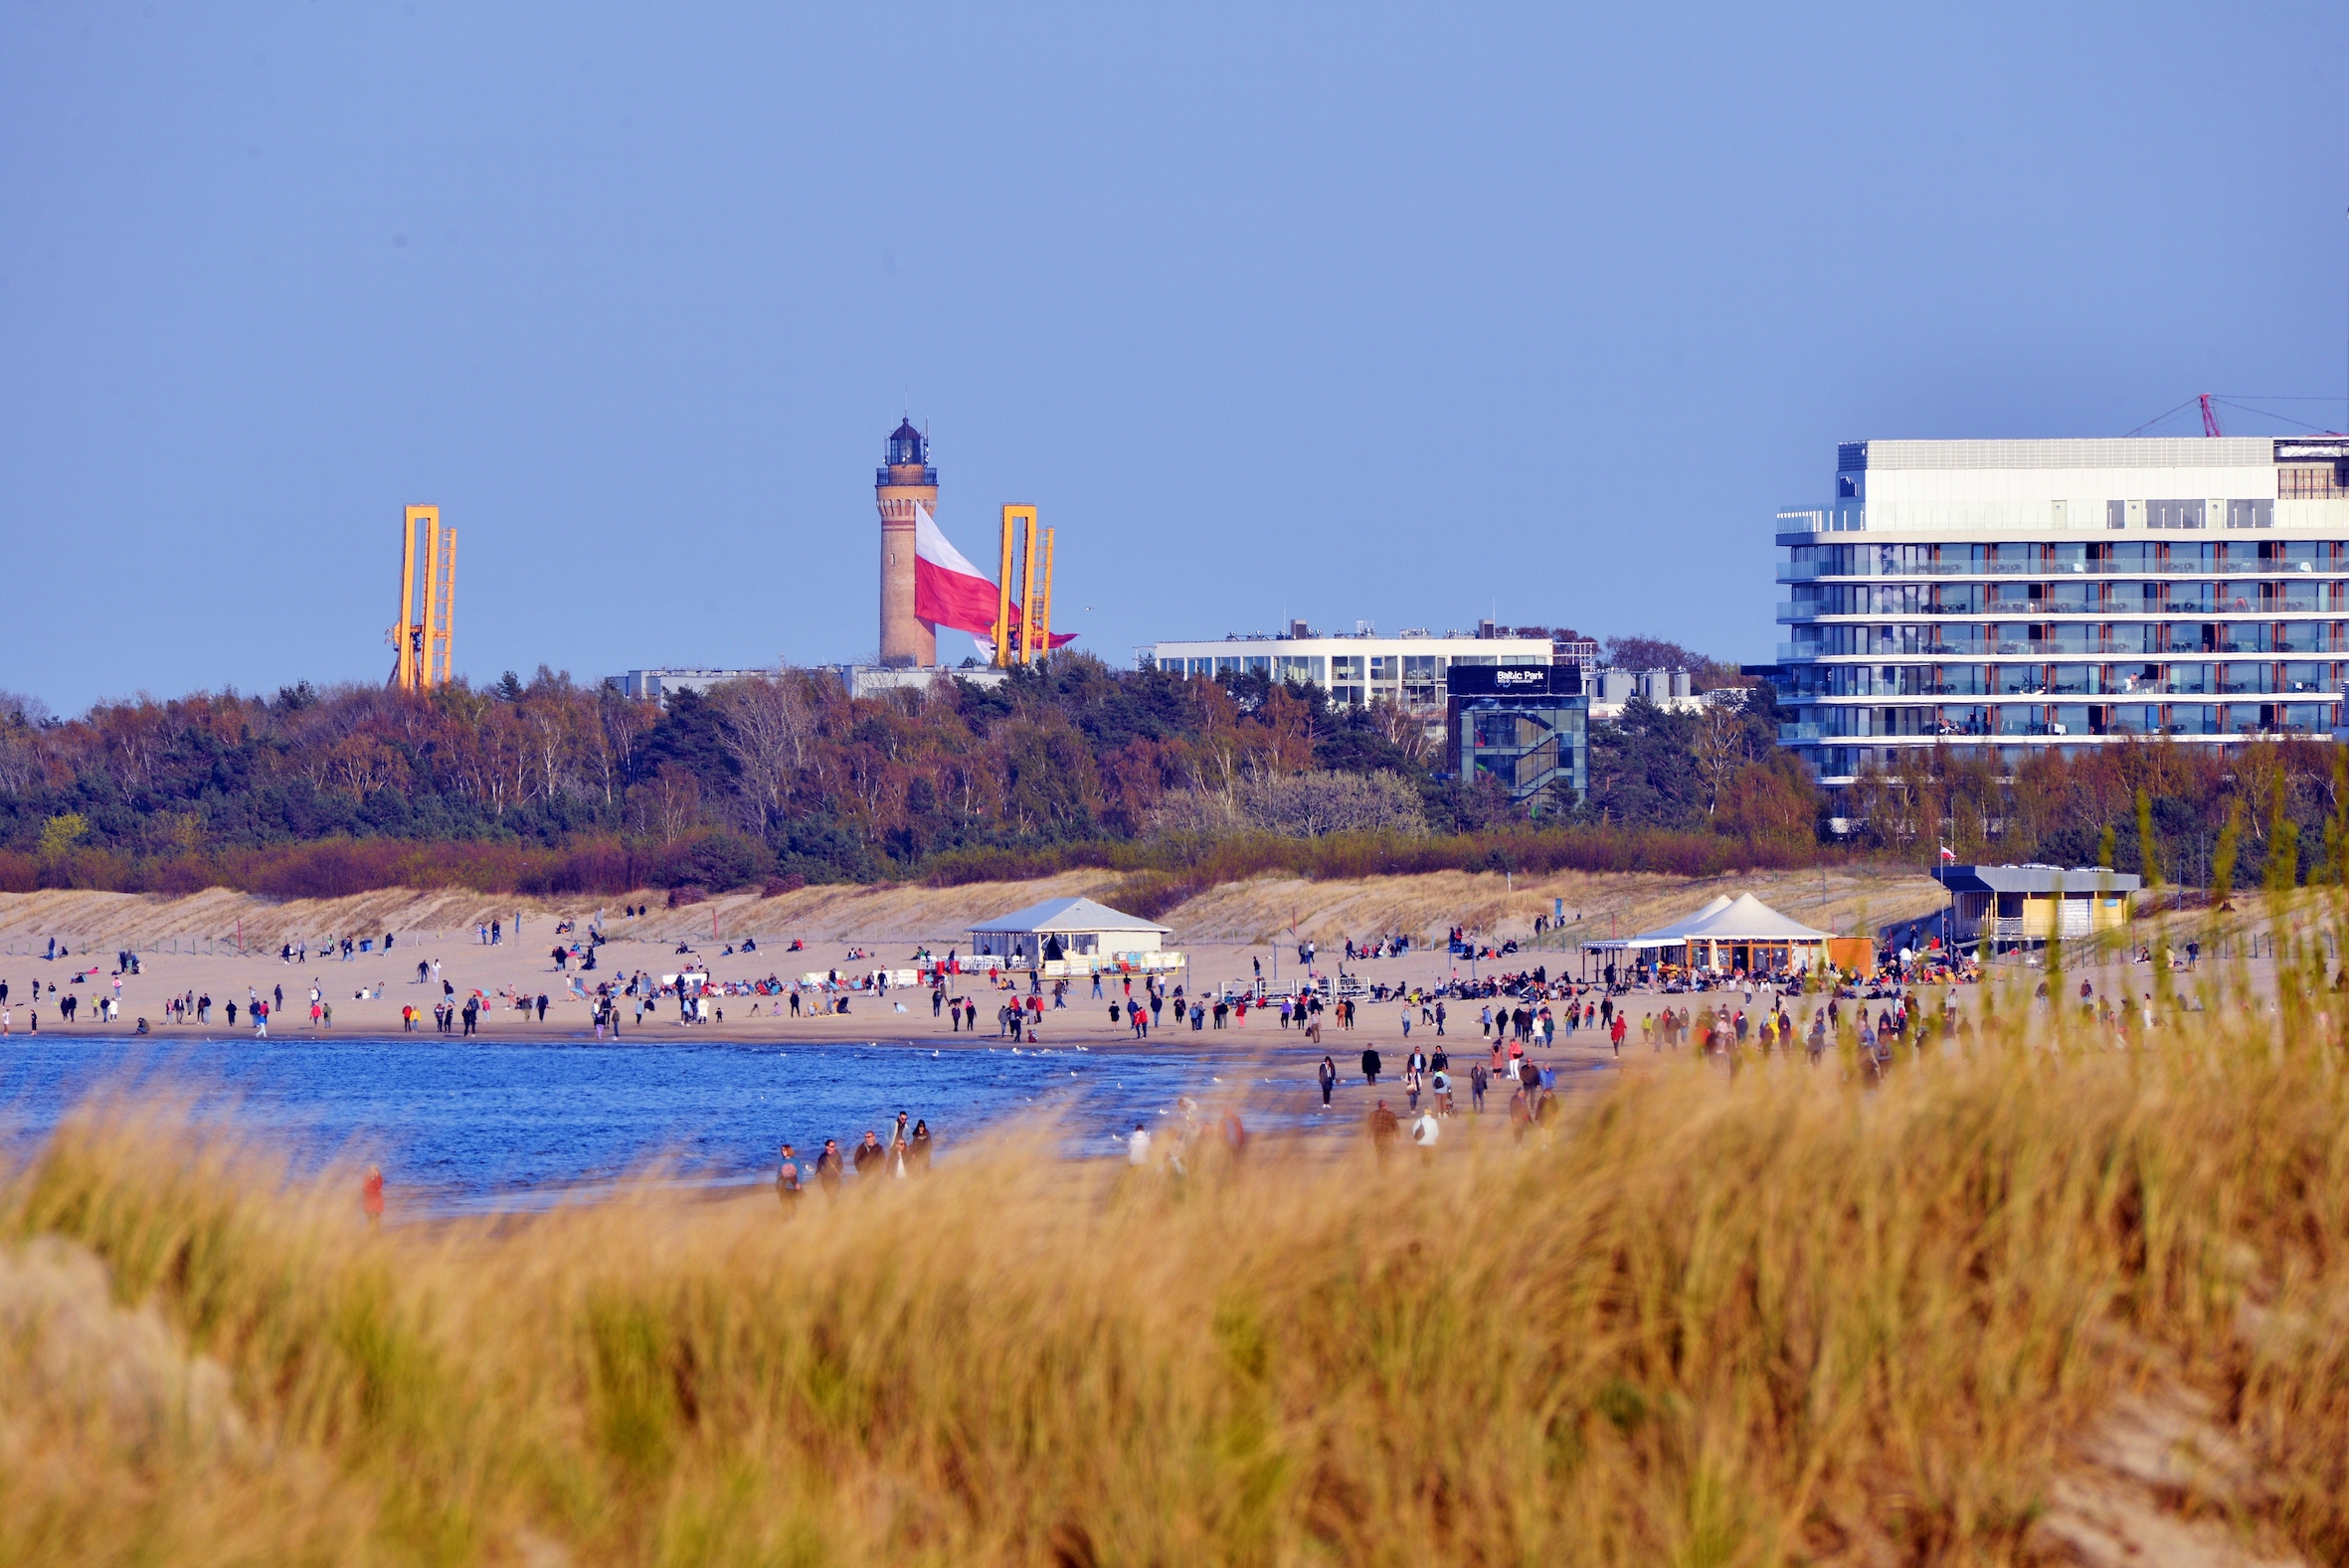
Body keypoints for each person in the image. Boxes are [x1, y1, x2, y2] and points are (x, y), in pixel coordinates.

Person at [776, 1143, 804, 1208]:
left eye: (784, 1150)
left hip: (792, 1184)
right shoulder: (782, 1161)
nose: (782, 1151)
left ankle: (793, 1214)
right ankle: (784, 1215)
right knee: (784, 1204)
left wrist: (799, 1183)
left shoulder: (795, 1161)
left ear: (788, 1150)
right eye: (782, 1150)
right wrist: (777, 1184)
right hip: (783, 1185)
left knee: (792, 1203)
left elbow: (799, 1172)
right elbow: (779, 1174)